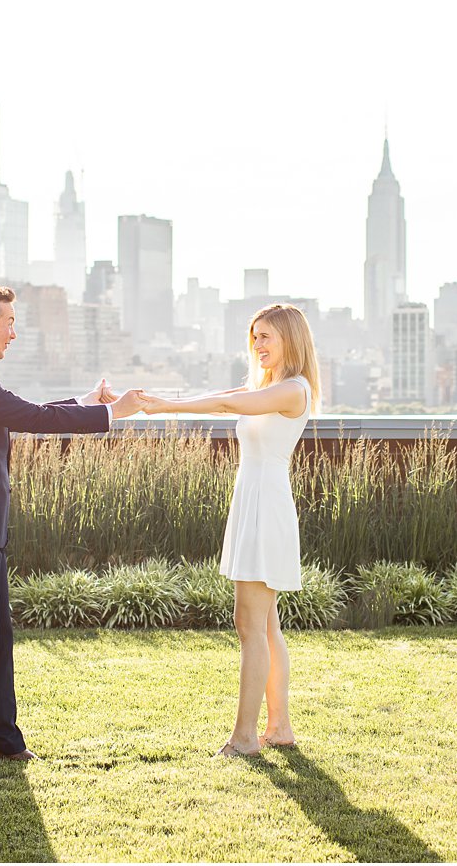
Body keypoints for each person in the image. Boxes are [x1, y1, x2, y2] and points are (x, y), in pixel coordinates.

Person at [0, 283, 144, 778]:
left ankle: (6, 742)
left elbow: (21, 413)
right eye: (8, 323)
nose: (13, 334)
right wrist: (111, 412)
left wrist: (87, 401)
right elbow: (31, 416)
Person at [139, 303, 320, 757]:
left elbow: (224, 404)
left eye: (267, 337)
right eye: (254, 336)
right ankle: (279, 728)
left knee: (249, 625)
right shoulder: (269, 386)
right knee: (266, 625)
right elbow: (226, 392)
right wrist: (161, 399)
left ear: (290, 340)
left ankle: (245, 738)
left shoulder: (293, 390)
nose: (258, 345)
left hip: (266, 507)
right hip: (255, 502)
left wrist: (166, 407)